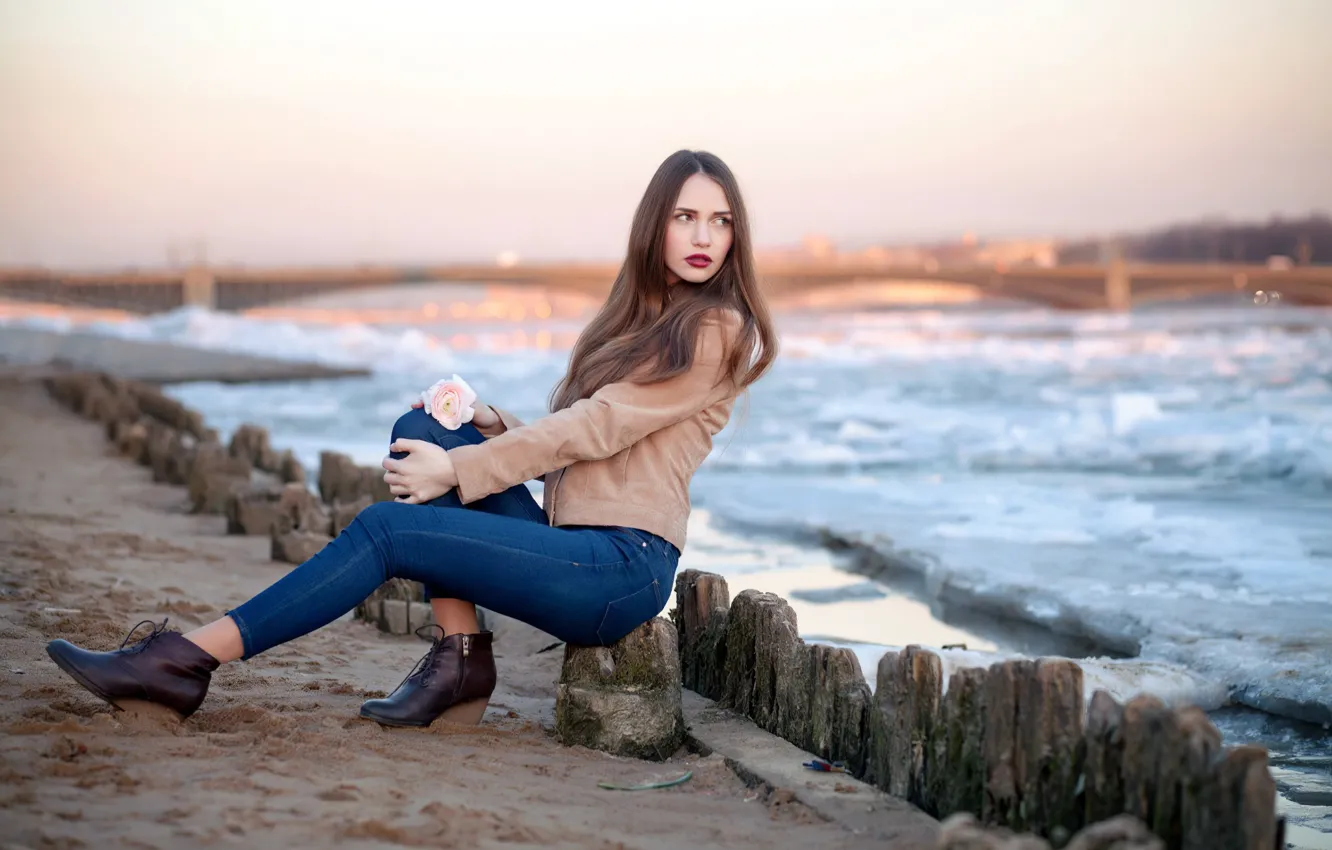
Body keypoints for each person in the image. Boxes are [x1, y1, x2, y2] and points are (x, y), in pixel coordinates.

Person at [44, 149, 778, 729]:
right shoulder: (640, 321)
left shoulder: (718, 329)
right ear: (657, 225)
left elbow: (600, 425)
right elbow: (599, 444)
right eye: (686, 217)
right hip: (569, 535)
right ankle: (460, 657)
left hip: (620, 569)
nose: (704, 237)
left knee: (391, 527)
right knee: (422, 426)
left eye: (719, 221)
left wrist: (460, 471)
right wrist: (490, 426)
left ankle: (184, 662)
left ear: (734, 234)